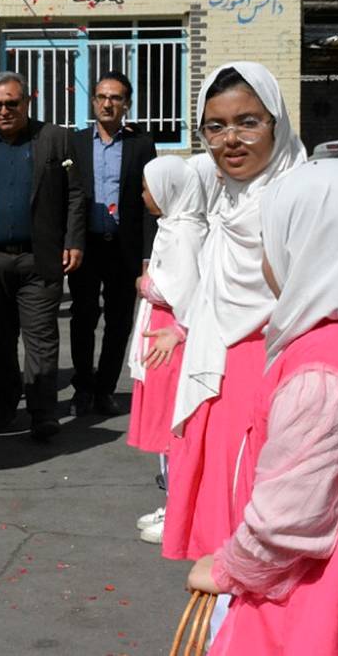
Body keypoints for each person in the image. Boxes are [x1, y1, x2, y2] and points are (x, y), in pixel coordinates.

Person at [189, 158, 338, 655]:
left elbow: (288, 519)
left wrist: (229, 567)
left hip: (315, 607)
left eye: (269, 244)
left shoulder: (321, 365)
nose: (265, 262)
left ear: (307, 248)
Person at [164, 62, 306, 568]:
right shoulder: (226, 198)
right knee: (224, 521)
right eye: (216, 126)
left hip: (277, 372)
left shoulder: (299, 198)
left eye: (249, 122)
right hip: (218, 371)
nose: (231, 139)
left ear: (277, 123)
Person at [0, 71, 86, 441]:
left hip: (39, 257)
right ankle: (3, 408)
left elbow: (76, 193)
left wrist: (74, 240)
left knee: (41, 339)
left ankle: (43, 413)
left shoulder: (56, 138)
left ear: (27, 101)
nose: (3, 111)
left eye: (11, 103)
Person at [124, 156, 207, 545]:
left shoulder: (187, 232)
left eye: (148, 187)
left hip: (171, 338)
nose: (144, 195)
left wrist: (147, 285)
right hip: (159, 333)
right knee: (162, 427)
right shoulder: (170, 226)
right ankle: (172, 499)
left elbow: (187, 292)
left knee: (173, 426)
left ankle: (180, 507)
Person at [68, 72, 158, 417]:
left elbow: (150, 203)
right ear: (93, 101)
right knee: (82, 318)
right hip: (86, 247)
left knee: (119, 321)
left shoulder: (141, 144)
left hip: (124, 247)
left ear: (127, 105)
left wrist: (148, 256)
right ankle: (83, 388)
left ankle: (105, 388)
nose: (108, 104)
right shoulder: (74, 143)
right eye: (102, 97)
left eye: (116, 98)